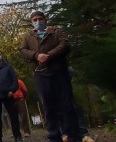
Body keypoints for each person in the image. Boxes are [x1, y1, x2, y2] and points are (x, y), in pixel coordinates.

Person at [20, 11, 78, 142]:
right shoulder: (28, 37)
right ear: (31, 22)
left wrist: (49, 55)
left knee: (67, 105)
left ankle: (71, 134)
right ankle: (54, 135)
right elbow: (23, 51)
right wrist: (36, 56)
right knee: (48, 106)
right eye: (35, 20)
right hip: (41, 74)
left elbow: (65, 45)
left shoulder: (56, 32)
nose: (38, 21)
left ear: (45, 20)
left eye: (40, 19)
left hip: (60, 72)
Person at [0, 49, 23, 142]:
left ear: (2, 56)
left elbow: (14, 80)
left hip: (8, 95)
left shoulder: (8, 67)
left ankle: (17, 136)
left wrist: (12, 90)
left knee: (13, 116)